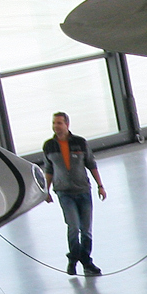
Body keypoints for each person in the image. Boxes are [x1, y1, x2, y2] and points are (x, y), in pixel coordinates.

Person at [42, 112, 105, 276]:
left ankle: (84, 261)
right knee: (73, 227)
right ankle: (75, 260)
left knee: (86, 230)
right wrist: (46, 190)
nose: (56, 126)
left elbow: (91, 164)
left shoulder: (80, 143)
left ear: (67, 125)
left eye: (59, 123)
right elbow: (49, 169)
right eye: (54, 123)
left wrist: (100, 185)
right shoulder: (49, 146)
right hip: (64, 192)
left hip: (83, 190)